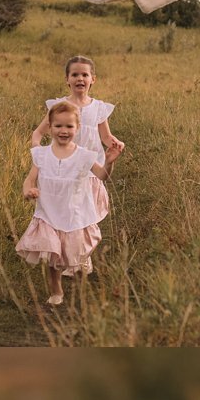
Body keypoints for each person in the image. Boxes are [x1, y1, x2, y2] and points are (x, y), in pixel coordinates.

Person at [18, 101, 112, 303]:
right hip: (48, 213)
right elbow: (30, 178)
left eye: (69, 126)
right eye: (58, 126)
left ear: (77, 129)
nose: (63, 130)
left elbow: (102, 175)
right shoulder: (41, 155)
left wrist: (110, 161)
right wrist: (28, 191)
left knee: (73, 254)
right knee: (53, 255)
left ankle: (80, 276)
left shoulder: (84, 156)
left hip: (74, 214)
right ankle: (56, 291)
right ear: (50, 127)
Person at [26, 54, 124, 218]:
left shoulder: (98, 107)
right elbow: (38, 132)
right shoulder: (59, 106)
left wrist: (115, 143)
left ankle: (85, 239)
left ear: (93, 79)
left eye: (85, 75)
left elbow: (106, 136)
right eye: (75, 75)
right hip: (65, 165)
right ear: (67, 79)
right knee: (64, 211)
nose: (80, 78)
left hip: (90, 168)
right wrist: (38, 150)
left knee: (87, 213)